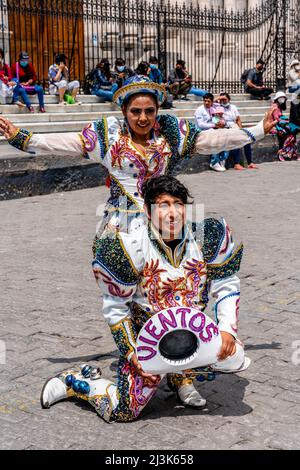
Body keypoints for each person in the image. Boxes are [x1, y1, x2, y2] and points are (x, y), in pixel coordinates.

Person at [40, 175, 250, 422]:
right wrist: (133, 354)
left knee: (233, 358)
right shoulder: (128, 245)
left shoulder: (208, 236)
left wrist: (227, 330)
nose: (173, 213)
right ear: (148, 212)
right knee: (124, 411)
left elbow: (227, 284)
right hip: (148, 339)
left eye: (178, 204)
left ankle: (181, 375)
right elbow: (116, 307)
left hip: (192, 332)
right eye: (163, 205)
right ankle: (77, 380)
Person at [0, 75, 276, 238]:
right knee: (123, 297)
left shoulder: (170, 136)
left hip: (165, 220)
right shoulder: (108, 138)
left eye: (149, 111)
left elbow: (211, 141)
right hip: (122, 226)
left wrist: (256, 131)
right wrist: (23, 137)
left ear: (157, 110)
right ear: (124, 112)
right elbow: (64, 143)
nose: (143, 118)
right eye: (135, 111)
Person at [217, 92, 258, 170]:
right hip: (226, 128)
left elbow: (238, 119)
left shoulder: (233, 107)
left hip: (235, 126)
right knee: (236, 139)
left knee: (247, 140)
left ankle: (250, 163)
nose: (223, 101)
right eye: (221, 99)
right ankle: (237, 163)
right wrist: (219, 98)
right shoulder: (218, 108)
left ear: (229, 99)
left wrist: (241, 129)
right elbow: (216, 121)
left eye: (225, 99)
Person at [195, 93, 228, 172]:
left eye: (208, 101)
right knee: (215, 136)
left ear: (212, 102)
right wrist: (214, 126)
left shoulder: (213, 109)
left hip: (212, 129)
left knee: (226, 135)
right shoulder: (199, 110)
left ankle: (222, 159)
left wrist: (220, 124)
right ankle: (214, 162)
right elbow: (201, 125)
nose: (206, 103)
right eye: (205, 101)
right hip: (202, 131)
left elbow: (215, 120)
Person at [273, 91, 300, 161]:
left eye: (283, 98)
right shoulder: (275, 106)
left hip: (281, 125)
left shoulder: (278, 106)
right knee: (291, 135)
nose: (282, 99)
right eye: (281, 98)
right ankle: (283, 152)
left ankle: (291, 153)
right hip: (277, 126)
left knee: (292, 135)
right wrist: (284, 121)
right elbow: (276, 119)